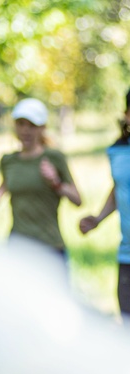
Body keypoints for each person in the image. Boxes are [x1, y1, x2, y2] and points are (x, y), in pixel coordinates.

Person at [0, 97, 82, 257]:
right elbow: (6, 183)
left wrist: (55, 183)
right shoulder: (8, 160)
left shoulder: (54, 158)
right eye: (21, 124)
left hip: (49, 245)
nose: (25, 130)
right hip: (18, 245)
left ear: (42, 128)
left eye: (32, 126)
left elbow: (77, 200)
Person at [79, 89, 130, 322]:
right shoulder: (117, 151)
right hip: (126, 254)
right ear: (126, 115)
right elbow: (120, 188)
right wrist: (98, 219)